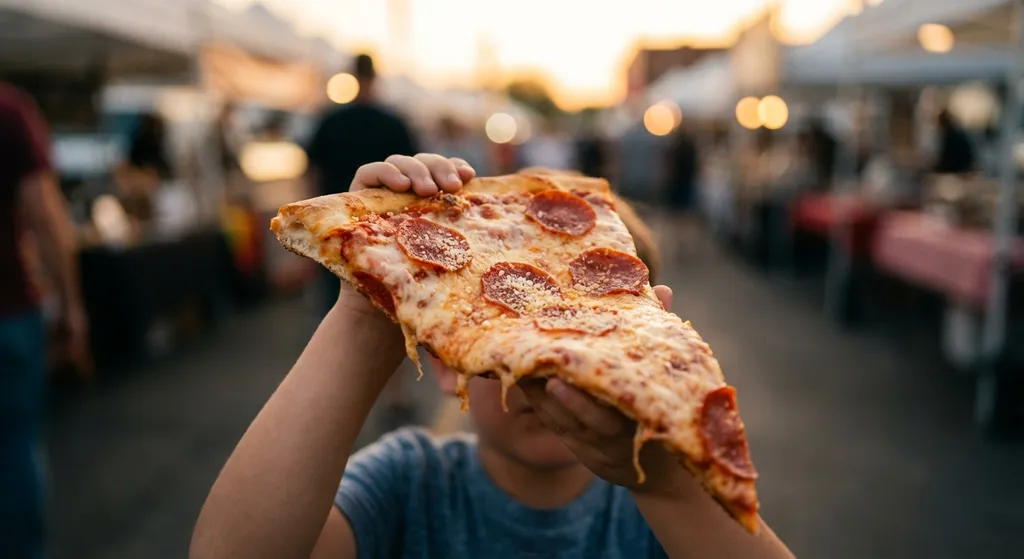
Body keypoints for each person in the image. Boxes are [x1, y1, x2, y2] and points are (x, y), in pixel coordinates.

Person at [191, 153, 795, 559]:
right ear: (451, 359)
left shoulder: (668, 513)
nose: (552, 376)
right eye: (511, 352)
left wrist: (665, 485)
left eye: (595, 347)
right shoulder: (410, 480)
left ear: (656, 358)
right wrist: (368, 309)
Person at [0, 82, 90, 557]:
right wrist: (72, 306)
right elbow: (45, 214)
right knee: (14, 448)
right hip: (8, 310)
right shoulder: (9, 109)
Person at [306, 54, 419, 314]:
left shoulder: (330, 120)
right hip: (382, 225)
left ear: (352, 76)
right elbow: (411, 175)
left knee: (335, 295)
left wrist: (312, 215)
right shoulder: (393, 122)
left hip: (332, 220)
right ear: (375, 78)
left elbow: (311, 170)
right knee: (385, 295)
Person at [933, 109, 977, 174]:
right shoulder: (956, 133)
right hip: (963, 168)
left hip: (959, 170)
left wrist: (936, 169)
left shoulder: (951, 136)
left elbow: (949, 159)